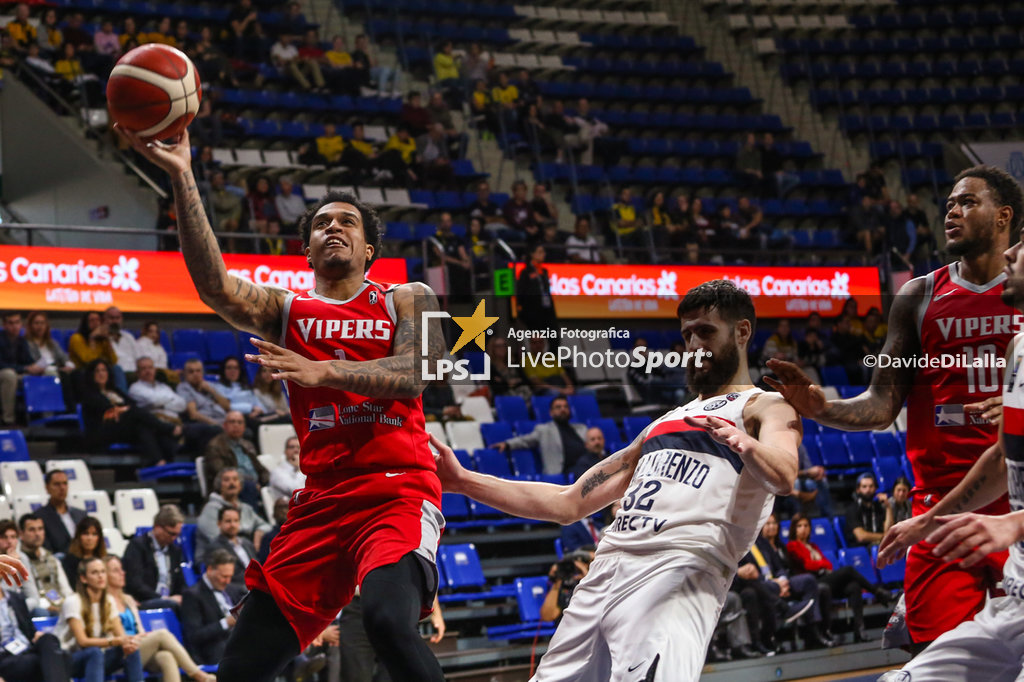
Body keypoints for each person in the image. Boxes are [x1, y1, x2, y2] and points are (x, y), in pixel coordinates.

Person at [120, 124, 449, 682]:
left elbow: (423, 371)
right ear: (307, 249)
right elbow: (214, 286)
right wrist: (181, 176)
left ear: (369, 248)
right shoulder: (286, 310)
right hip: (320, 501)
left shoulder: (409, 296)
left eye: (347, 221)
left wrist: (325, 369)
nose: (334, 227)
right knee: (241, 668)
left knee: (390, 623)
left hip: (396, 489)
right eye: (322, 223)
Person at [432, 279, 801, 681]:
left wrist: (744, 443)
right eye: (687, 335)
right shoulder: (663, 422)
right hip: (605, 570)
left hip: (679, 569)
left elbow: (784, 475)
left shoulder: (766, 405)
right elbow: (569, 502)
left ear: (742, 332)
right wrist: (464, 480)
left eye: (706, 332)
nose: (694, 346)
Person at [773, 192, 1022, 649]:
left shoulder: (1021, 288)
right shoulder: (919, 295)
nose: (951, 211)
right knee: (934, 655)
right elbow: (882, 405)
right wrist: (822, 409)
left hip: (1018, 504)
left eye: (967, 202)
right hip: (941, 503)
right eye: (948, 203)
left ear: (1004, 215)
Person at [877, 227, 1024, 680]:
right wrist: (926, 520)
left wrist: (1014, 522)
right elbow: (1001, 459)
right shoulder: (1019, 350)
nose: (1013, 252)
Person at [104, 556, 215, 682]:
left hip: (139, 647)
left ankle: (197, 675)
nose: (122, 573)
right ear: (105, 575)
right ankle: (198, 674)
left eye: (121, 569)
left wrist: (141, 636)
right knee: (162, 634)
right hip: (120, 653)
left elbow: (140, 628)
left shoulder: (128, 600)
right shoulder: (104, 602)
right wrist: (138, 639)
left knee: (166, 657)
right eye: (115, 570)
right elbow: (112, 636)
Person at [786, 513, 888, 643]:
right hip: (812, 583)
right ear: (794, 529)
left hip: (824, 579)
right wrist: (821, 565)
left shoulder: (813, 546)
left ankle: (859, 630)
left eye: (806, 525)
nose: (803, 529)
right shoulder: (792, 545)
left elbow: (828, 564)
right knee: (848, 570)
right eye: (799, 526)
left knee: (854, 587)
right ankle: (877, 592)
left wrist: (820, 565)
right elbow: (808, 565)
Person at [744, 514, 833, 650]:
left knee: (809, 580)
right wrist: (775, 582)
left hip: (778, 582)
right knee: (765, 587)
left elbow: (779, 567)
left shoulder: (762, 542)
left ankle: (813, 630)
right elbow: (747, 574)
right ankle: (783, 614)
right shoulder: (740, 548)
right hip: (763, 583)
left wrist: (783, 580)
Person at [56, 557, 144, 682]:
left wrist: (127, 643)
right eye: (94, 573)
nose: (100, 576)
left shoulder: (109, 601)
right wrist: (113, 641)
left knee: (131, 650)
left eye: (103, 572)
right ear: (83, 578)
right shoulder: (73, 601)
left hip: (97, 658)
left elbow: (121, 636)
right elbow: (83, 642)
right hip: (70, 659)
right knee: (94, 652)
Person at [80, 359, 181, 466]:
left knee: (142, 427)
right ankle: (168, 428)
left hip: (122, 427)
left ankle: (161, 462)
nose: (101, 374)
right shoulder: (89, 394)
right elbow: (108, 409)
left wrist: (124, 409)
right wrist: (124, 409)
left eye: (104, 370)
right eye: (97, 371)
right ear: (91, 374)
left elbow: (131, 404)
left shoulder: (115, 390)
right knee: (136, 414)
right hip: (102, 430)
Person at [180, 550, 247, 666]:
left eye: (230, 576)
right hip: (215, 649)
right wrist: (226, 623)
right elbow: (195, 636)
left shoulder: (233, 589)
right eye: (224, 576)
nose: (227, 581)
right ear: (210, 570)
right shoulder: (192, 595)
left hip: (239, 641)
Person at [494, 396, 587, 476]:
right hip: (565, 470)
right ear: (551, 412)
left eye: (565, 407)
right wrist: (507, 444)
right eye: (558, 407)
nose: (563, 409)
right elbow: (525, 440)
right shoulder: (544, 430)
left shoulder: (581, 428)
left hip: (587, 464)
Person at [0, 580, 72, 682]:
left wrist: (36, 635)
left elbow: (29, 630)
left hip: (26, 648)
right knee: (57, 659)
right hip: (5, 657)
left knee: (49, 640)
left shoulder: (15, 597)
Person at [121, 505, 186, 610]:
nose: (174, 538)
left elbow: (180, 582)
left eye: (177, 535)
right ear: (158, 527)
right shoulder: (137, 546)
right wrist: (163, 598)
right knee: (172, 605)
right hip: (145, 600)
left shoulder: (174, 550)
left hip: (169, 600)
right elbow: (135, 584)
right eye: (171, 534)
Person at [197, 468, 271, 560]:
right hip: (218, 558)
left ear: (240, 486)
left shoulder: (245, 508)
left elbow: (266, 526)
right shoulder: (210, 509)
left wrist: (259, 531)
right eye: (227, 480)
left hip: (244, 551)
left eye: (235, 479)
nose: (231, 483)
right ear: (219, 485)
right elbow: (216, 540)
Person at [203, 410, 268, 507]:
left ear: (244, 427)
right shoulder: (215, 446)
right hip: (231, 487)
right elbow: (221, 472)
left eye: (240, 422)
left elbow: (260, 468)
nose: (236, 425)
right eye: (232, 422)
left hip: (254, 485)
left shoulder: (247, 444)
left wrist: (265, 481)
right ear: (224, 425)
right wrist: (251, 482)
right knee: (248, 487)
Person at [19, 512, 73, 618]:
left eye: (40, 529)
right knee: (41, 613)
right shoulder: (18, 560)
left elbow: (66, 590)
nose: (37, 534)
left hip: (59, 605)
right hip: (37, 608)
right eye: (32, 530)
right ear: (21, 534)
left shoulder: (52, 559)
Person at [0, 310, 44, 426]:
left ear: (21, 324)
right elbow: (1, 364)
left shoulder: (22, 341)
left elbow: (28, 361)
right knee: (9, 375)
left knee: (40, 373)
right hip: (4, 374)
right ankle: (8, 419)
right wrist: (25, 368)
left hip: (17, 373)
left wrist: (35, 367)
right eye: (11, 323)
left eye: (17, 322)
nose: (14, 326)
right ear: (4, 325)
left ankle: (36, 416)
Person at [36, 470, 87, 555]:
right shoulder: (39, 517)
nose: (62, 488)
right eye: (57, 484)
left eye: (65, 483)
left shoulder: (81, 514)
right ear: (47, 488)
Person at [516, 244, 558, 339]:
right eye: (540, 252)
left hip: (547, 310)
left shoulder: (544, 271)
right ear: (532, 254)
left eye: (543, 252)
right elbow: (521, 293)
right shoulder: (525, 272)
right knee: (537, 339)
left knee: (554, 338)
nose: (543, 254)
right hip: (533, 312)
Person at [539, 550, 594, 623]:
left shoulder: (602, 585)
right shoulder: (564, 587)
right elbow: (547, 616)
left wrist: (587, 577)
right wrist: (558, 578)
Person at [844, 472, 893, 547]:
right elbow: (861, 537)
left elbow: (888, 530)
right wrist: (884, 536)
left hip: (879, 546)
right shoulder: (852, 509)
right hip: (861, 550)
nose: (868, 490)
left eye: (871, 486)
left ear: (875, 488)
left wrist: (888, 507)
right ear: (858, 490)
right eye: (864, 487)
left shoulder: (878, 507)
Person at [24, 311, 75, 376]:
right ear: (30, 326)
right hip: (41, 372)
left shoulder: (52, 343)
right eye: (36, 323)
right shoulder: (26, 343)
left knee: (75, 373)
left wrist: (68, 365)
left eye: (42, 323)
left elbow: (63, 357)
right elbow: (32, 363)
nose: (40, 326)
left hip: (57, 369)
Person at [61, 517, 106, 585]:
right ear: (78, 536)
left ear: (99, 538)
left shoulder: (105, 560)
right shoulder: (70, 561)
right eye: (85, 533)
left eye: (94, 534)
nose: (89, 538)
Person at [103, 307, 139, 378]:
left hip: (134, 373)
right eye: (111, 318)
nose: (115, 321)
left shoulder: (129, 337)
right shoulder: (101, 338)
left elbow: (138, 357)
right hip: (113, 375)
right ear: (104, 320)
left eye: (117, 318)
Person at [269, 436, 305, 500]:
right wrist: (299, 469)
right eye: (292, 447)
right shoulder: (277, 472)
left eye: (299, 447)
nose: (296, 450)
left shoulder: (307, 469)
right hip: (287, 508)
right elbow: (296, 492)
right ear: (285, 451)